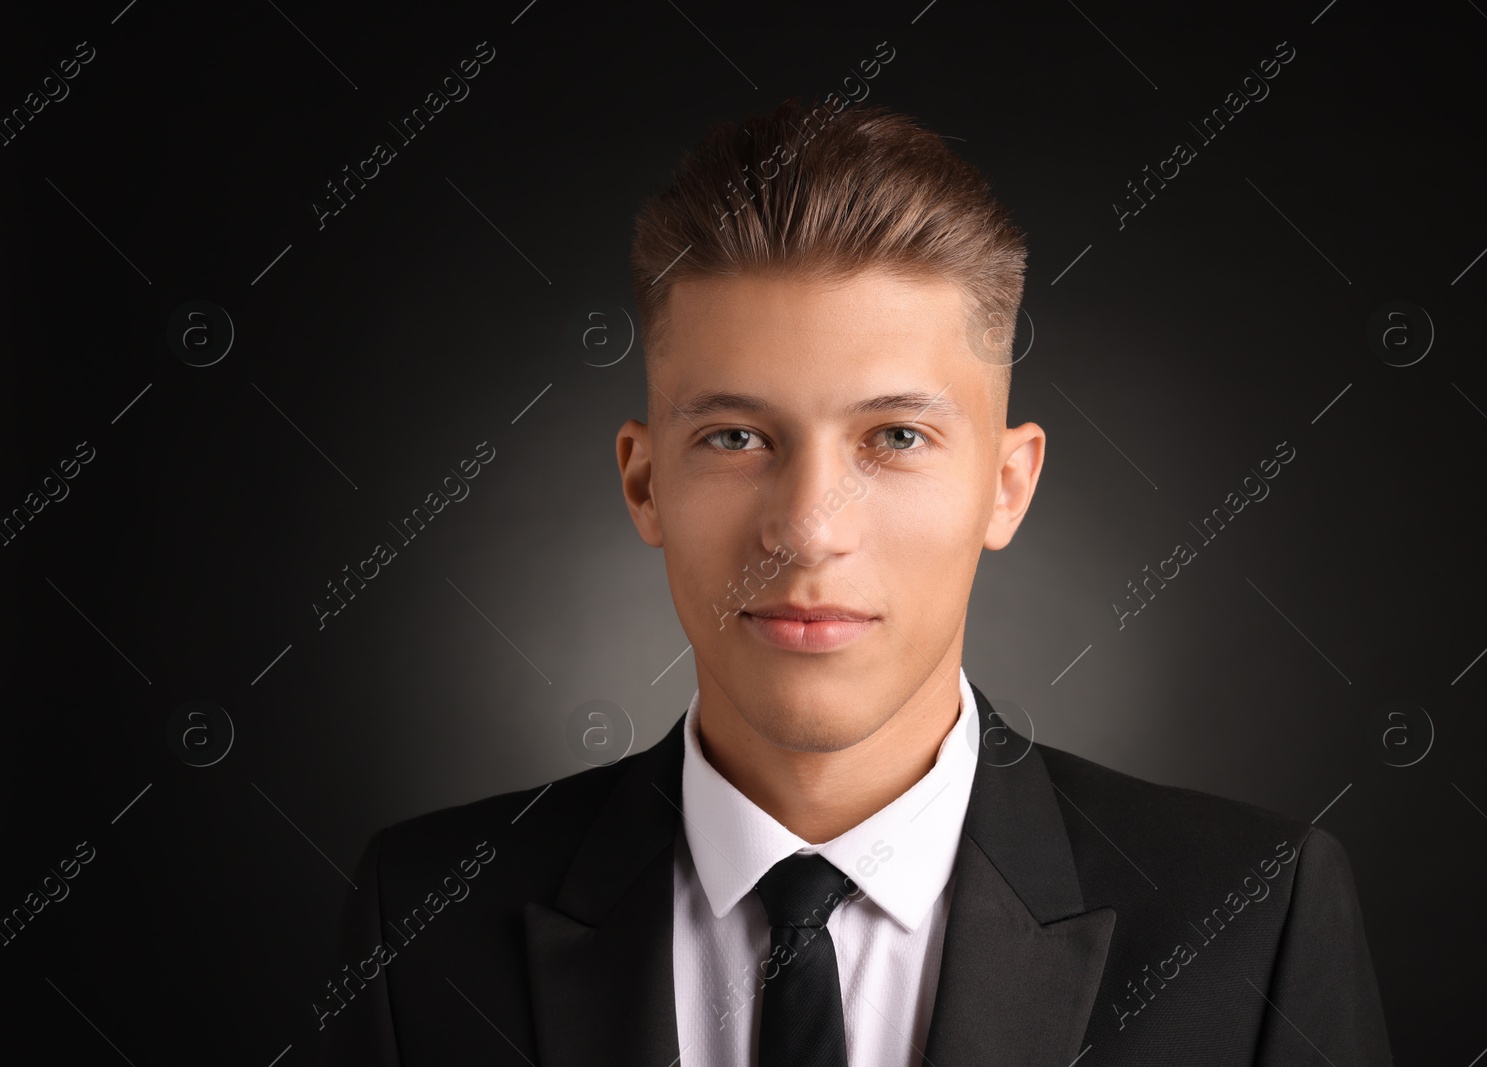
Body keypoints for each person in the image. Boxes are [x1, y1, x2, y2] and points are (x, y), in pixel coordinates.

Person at [319, 96, 1392, 1066]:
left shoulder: (1256, 915)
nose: (807, 529)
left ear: (1005, 486)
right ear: (644, 484)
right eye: (737, 435)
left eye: (895, 435)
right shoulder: (420, 918)